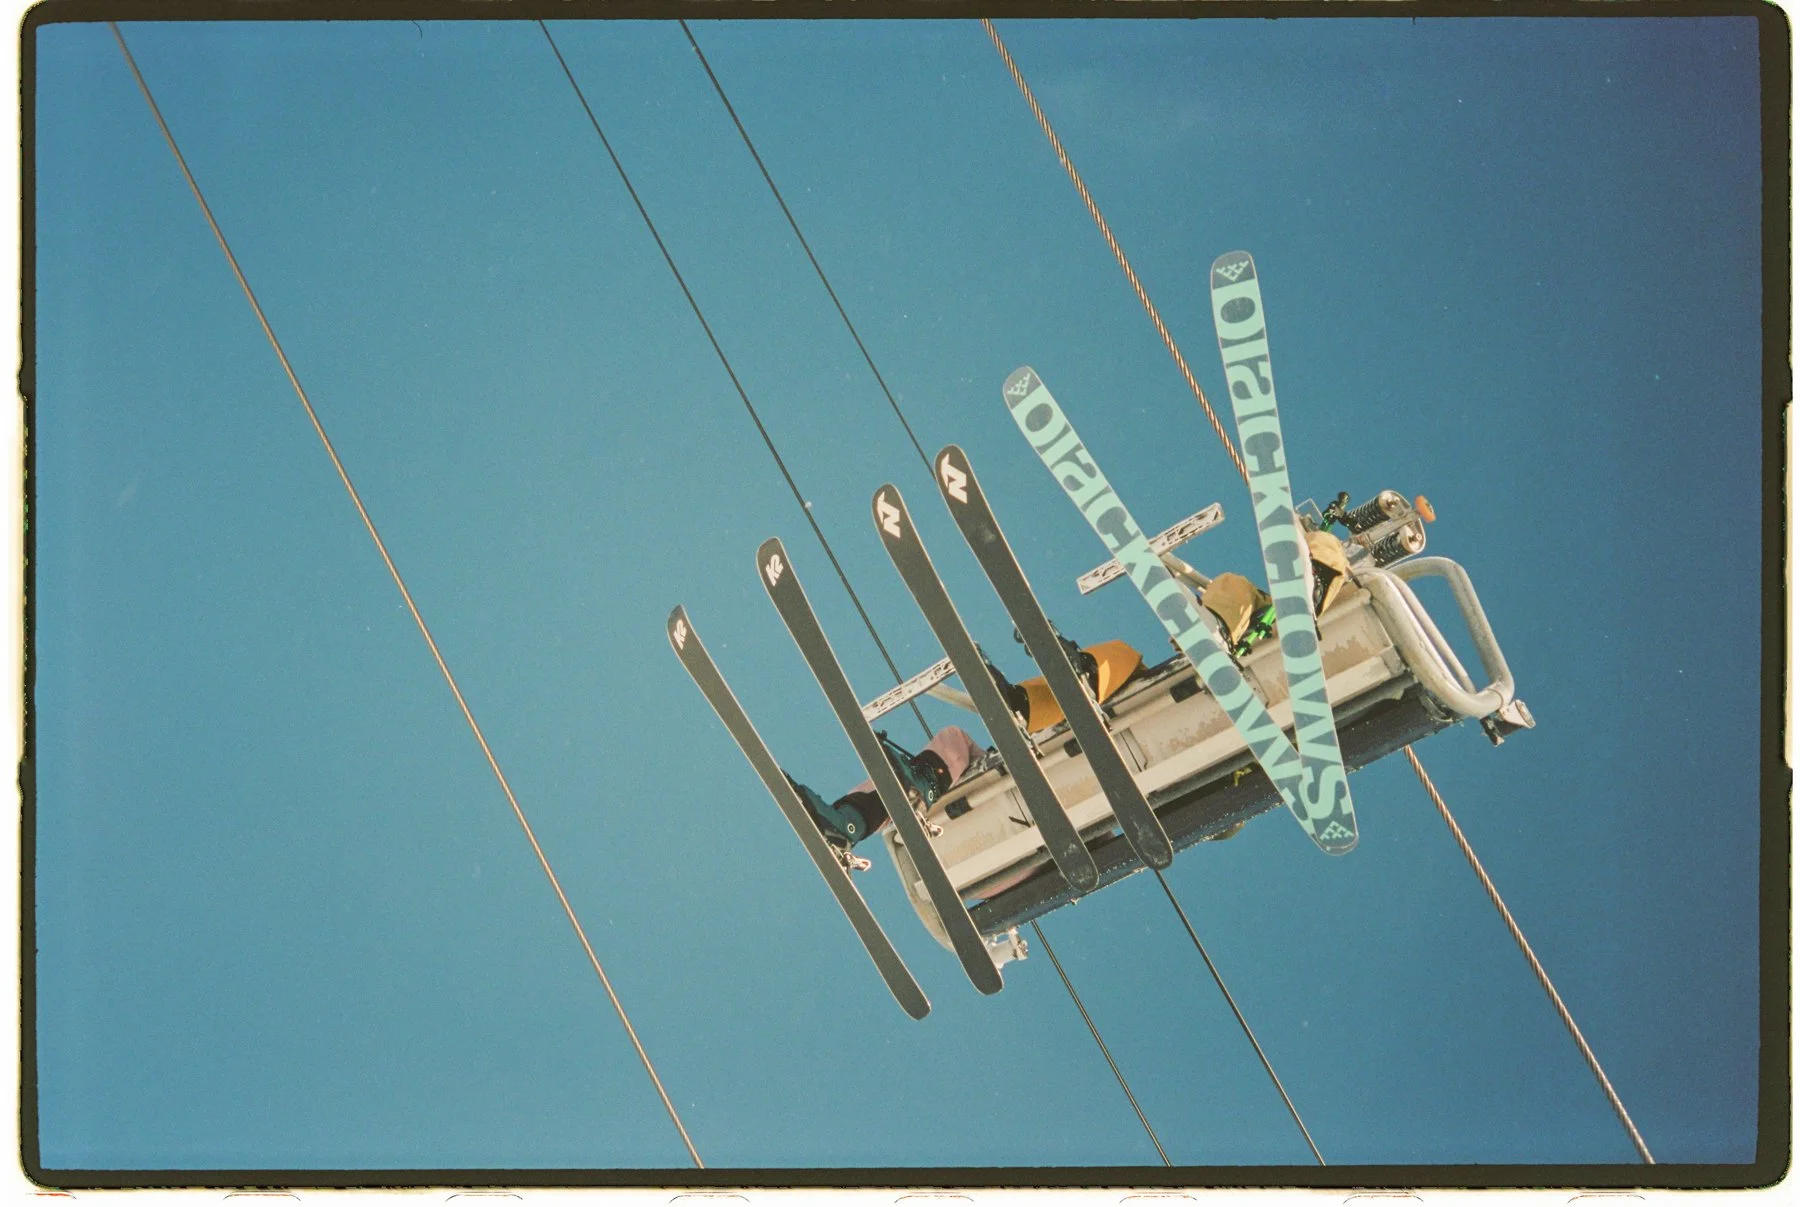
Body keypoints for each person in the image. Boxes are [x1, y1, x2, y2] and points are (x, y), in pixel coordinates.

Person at [787, 726, 988, 850]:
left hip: (964, 845)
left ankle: (849, 825)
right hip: (977, 849)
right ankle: (847, 825)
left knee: (954, 736)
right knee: (878, 796)